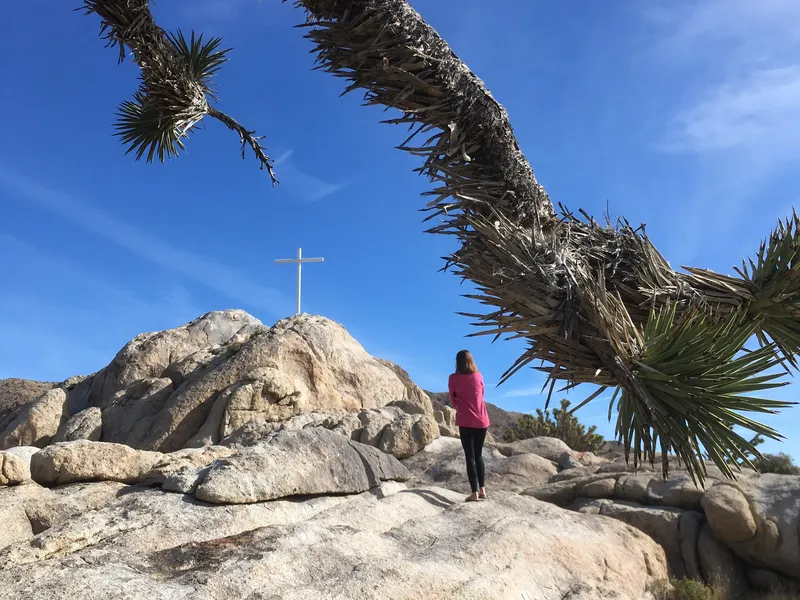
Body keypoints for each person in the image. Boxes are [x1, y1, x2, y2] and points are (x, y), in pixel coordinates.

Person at [448, 350, 490, 502]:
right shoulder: (479, 376)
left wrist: (461, 405)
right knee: (479, 455)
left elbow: (453, 399)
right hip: (482, 420)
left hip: (465, 420)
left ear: (457, 362)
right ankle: (483, 489)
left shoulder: (453, 378)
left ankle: (474, 493)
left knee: (470, 456)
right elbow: (482, 394)